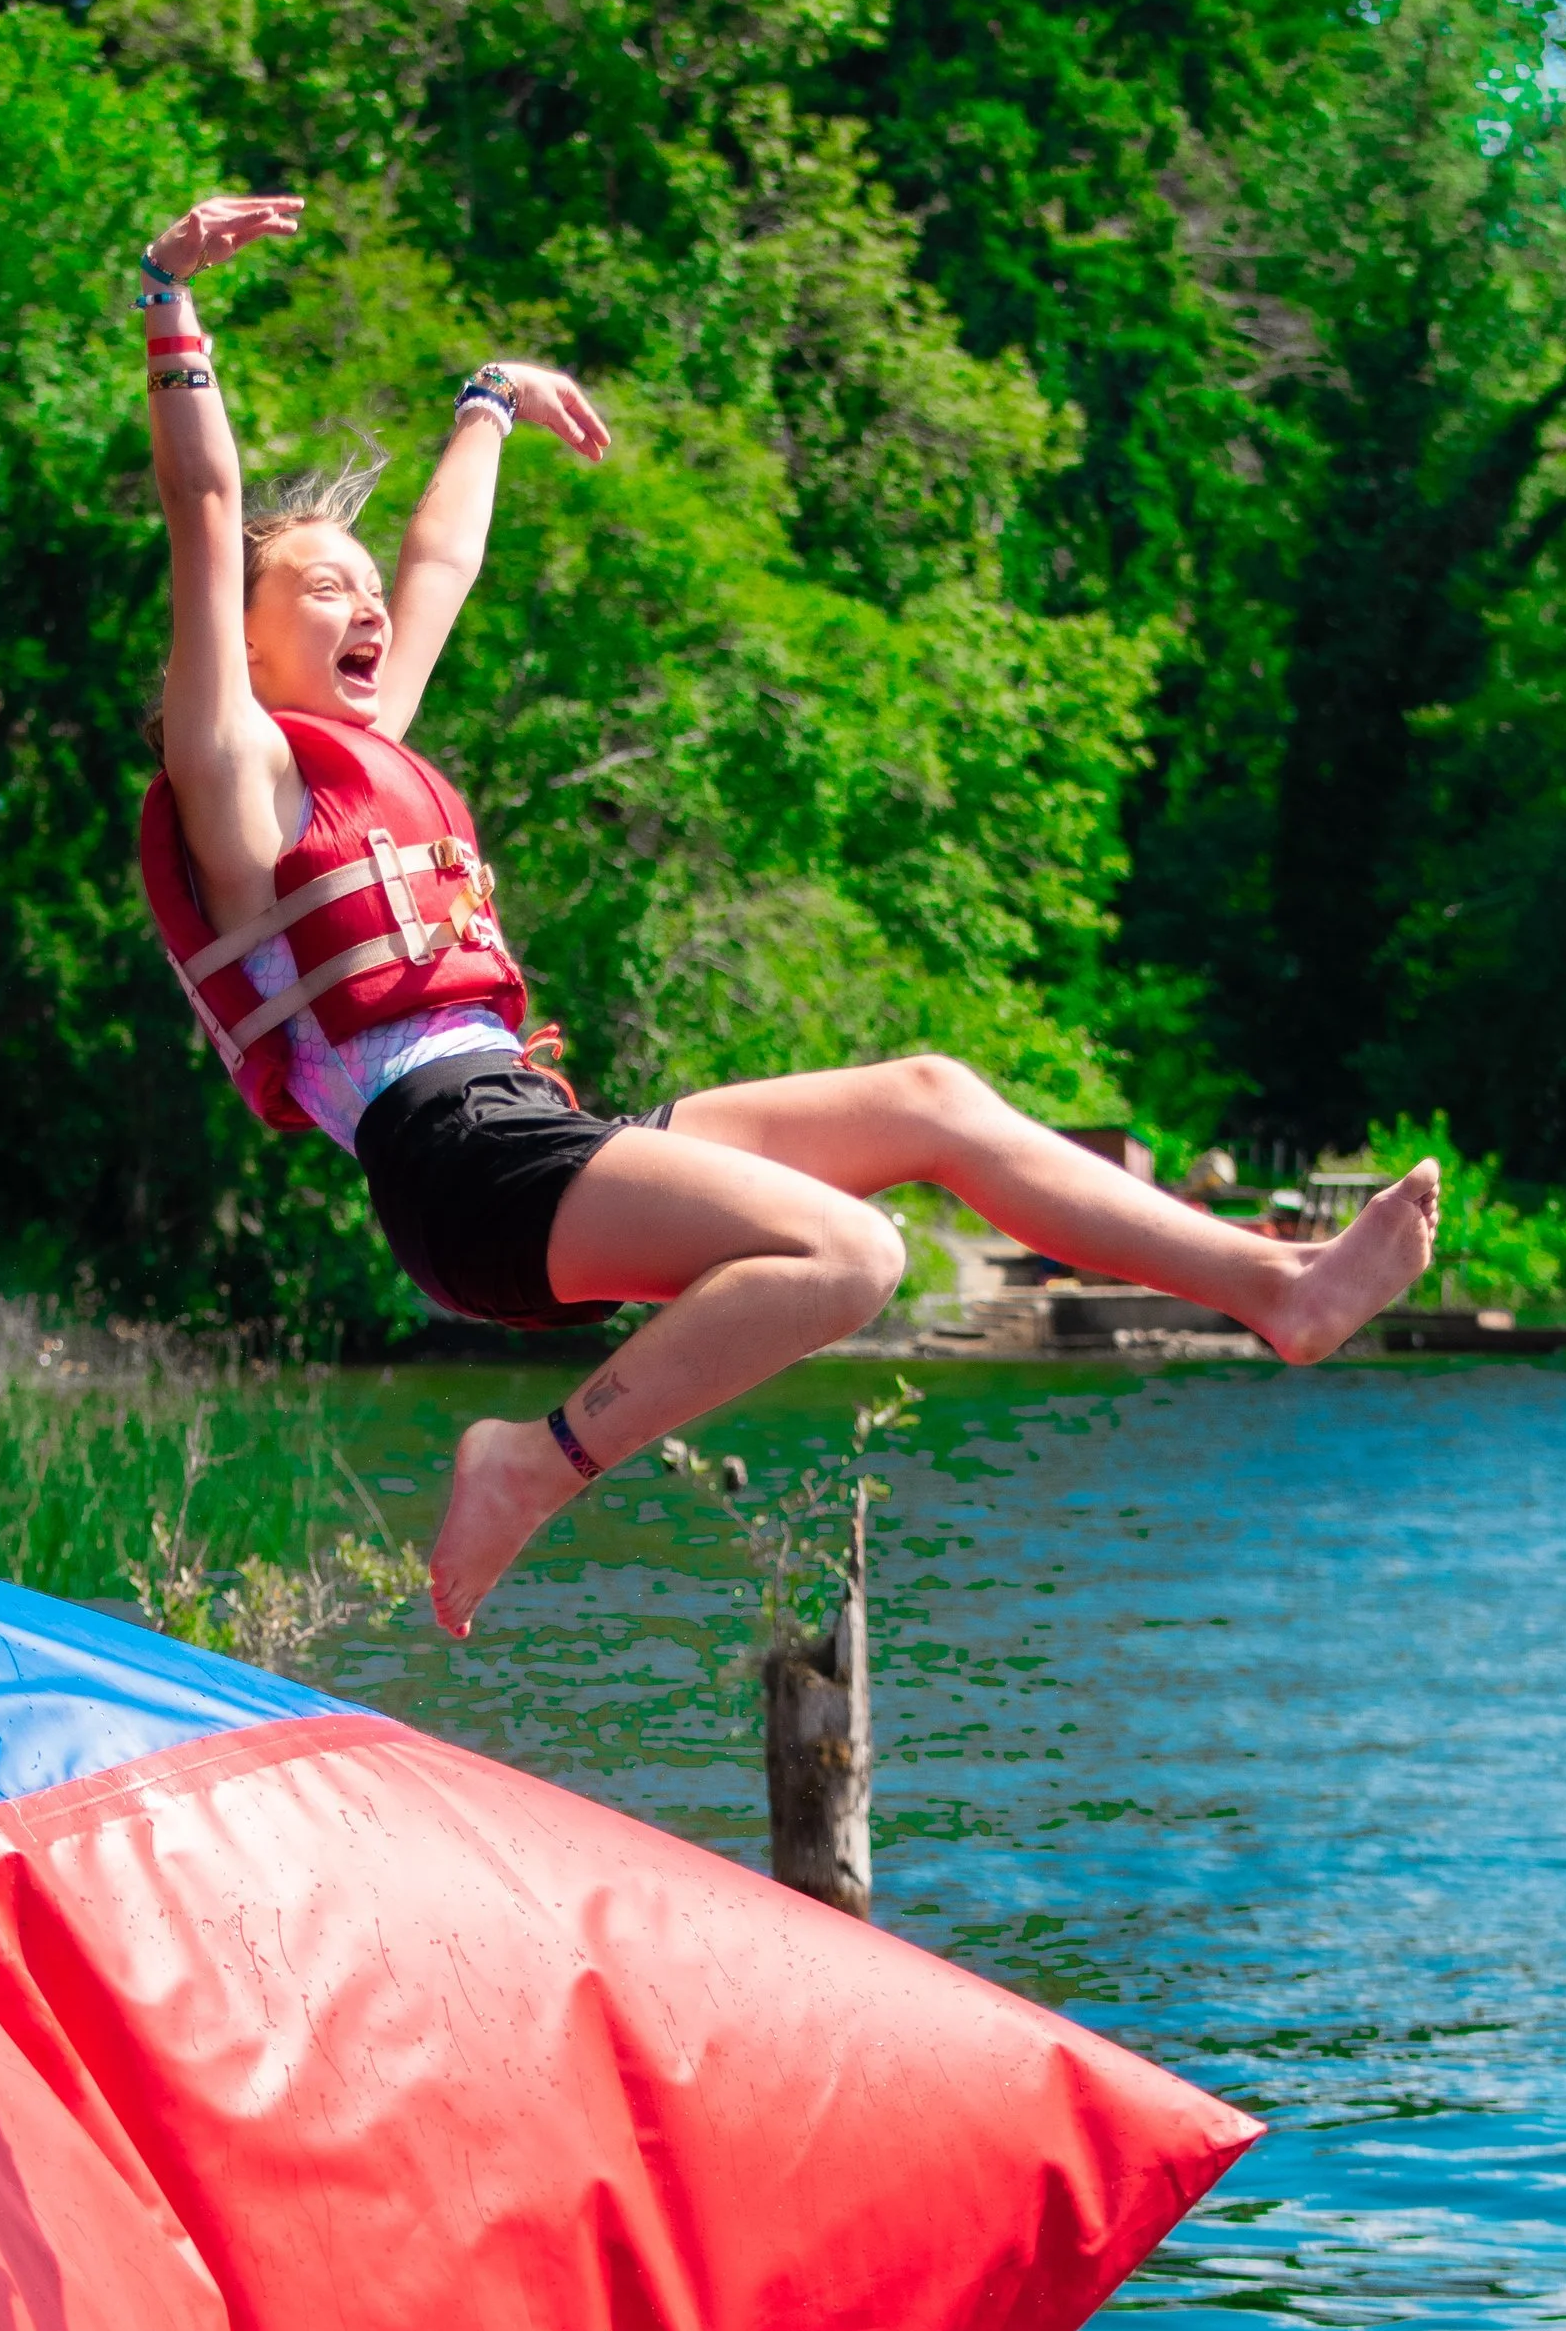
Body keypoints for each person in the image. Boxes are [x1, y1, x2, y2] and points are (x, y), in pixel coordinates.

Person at [137, 193, 1439, 1640]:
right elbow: (206, 510)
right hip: (454, 1167)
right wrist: (169, 302)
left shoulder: (367, 750)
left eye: (365, 588)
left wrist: (488, 402)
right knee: (853, 1256)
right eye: (326, 587)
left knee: (932, 1097)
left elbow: (443, 562)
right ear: (242, 642)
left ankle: (1276, 1286)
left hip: (528, 1128)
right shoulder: (237, 776)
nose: (371, 603)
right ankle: (530, 1463)